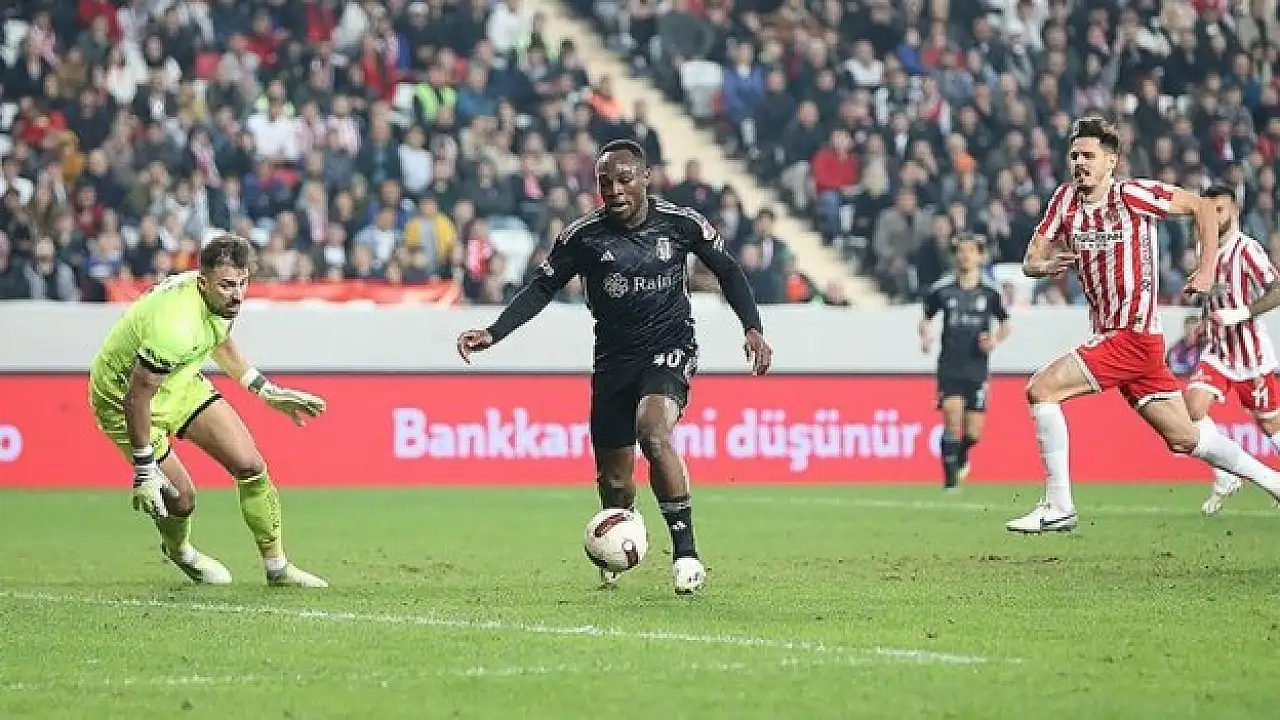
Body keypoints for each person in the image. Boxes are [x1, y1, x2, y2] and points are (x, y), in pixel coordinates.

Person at [456, 139, 773, 594]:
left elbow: (728, 270)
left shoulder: (681, 224)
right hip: (613, 361)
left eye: (624, 180)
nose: (615, 190)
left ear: (646, 178)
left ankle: (686, 554)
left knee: (653, 432)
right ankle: (621, 536)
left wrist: (752, 327)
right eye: (605, 182)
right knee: (615, 480)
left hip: (669, 347)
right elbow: (541, 288)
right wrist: (495, 332)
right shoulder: (584, 236)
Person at [1007, 116, 1280, 533]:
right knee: (1186, 438)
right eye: (1074, 156)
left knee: (1041, 389)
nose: (1079, 163)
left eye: (1088, 156)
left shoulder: (1132, 195)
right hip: (1123, 341)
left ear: (1110, 162)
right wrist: (1043, 266)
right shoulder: (1064, 201)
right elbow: (1030, 260)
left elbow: (1202, 208)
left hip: (1132, 335)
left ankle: (1058, 505)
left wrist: (1207, 269)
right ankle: (1273, 481)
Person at [88, 232, 329, 587]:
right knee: (181, 499)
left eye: (243, 283)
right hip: (122, 397)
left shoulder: (219, 301)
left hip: (179, 381)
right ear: (203, 283)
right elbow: (137, 397)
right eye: (228, 285)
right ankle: (180, 551)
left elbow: (220, 341)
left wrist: (267, 391)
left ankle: (278, 568)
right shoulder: (175, 326)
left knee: (250, 465)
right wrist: (144, 469)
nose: (238, 294)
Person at [1184, 184, 1280, 515]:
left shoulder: (1247, 250)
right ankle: (1225, 475)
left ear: (1234, 211)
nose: (1213, 217)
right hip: (1217, 351)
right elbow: (1212, 295)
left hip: (1251, 355)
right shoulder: (1204, 248)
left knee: (1270, 426)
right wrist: (1202, 322)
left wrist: (1242, 313)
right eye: (1208, 211)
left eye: (1219, 210)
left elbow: (1277, 289)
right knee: (1192, 408)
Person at [918, 235, 1011, 490]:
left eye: (971, 251)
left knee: (973, 433)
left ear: (980, 256)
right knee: (951, 416)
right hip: (950, 365)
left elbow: (1006, 323)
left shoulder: (990, 291)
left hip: (977, 366)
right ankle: (950, 482)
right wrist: (925, 335)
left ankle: (961, 454)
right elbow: (926, 317)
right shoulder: (943, 289)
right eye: (961, 251)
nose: (965, 256)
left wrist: (994, 340)